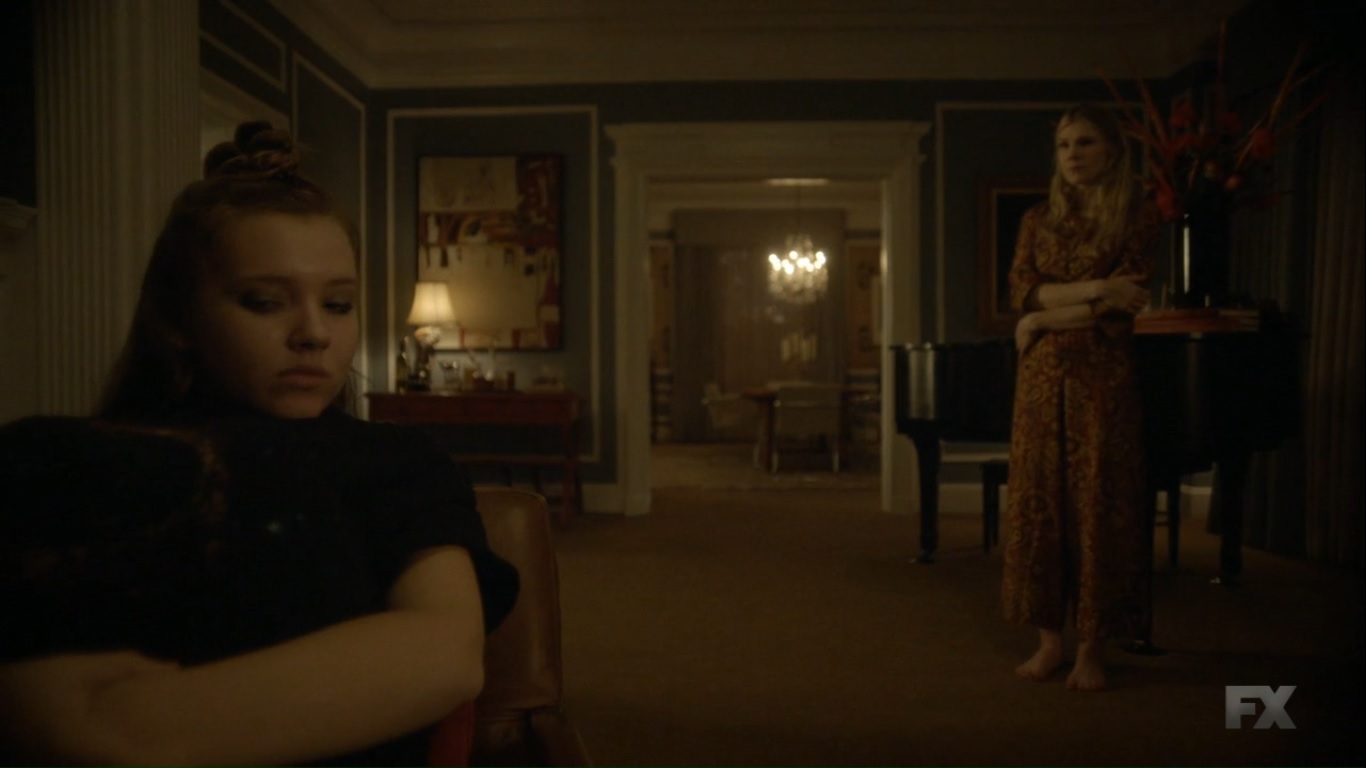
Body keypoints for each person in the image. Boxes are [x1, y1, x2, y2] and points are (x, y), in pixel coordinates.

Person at [0, 121, 519, 764]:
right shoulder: (54, 457)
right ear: (178, 315)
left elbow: (445, 655)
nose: (313, 334)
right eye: (265, 301)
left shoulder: (397, 461)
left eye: (338, 305)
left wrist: (104, 726)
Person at [1001, 104, 1160, 692]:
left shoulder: (1136, 216)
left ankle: (1093, 646)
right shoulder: (1037, 219)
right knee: (1039, 502)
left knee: (1099, 502)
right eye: (1065, 145)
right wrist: (1093, 289)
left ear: (1112, 150)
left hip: (1103, 375)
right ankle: (1049, 643)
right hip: (1041, 379)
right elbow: (1024, 291)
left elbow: (1125, 303)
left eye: (1086, 143)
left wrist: (1045, 318)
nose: (1073, 154)